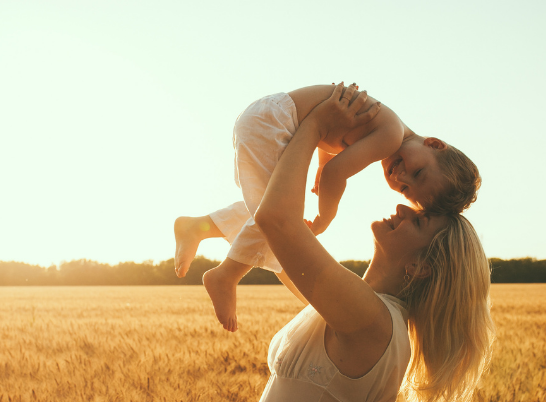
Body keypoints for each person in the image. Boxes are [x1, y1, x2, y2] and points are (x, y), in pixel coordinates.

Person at [225, 85, 495, 402]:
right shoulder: (355, 303)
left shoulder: (371, 319)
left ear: (419, 269)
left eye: (419, 219)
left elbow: (278, 219)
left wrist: (313, 125)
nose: (403, 206)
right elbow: (270, 240)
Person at [174, 83, 481, 332]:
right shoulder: (390, 137)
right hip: (274, 124)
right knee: (279, 216)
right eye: (418, 173)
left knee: (268, 208)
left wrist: (321, 165)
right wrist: (325, 216)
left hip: (268, 117)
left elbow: (333, 141)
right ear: (435, 144)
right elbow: (338, 173)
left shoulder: (389, 126)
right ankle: (226, 275)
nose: (400, 176)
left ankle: (197, 226)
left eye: (404, 189)